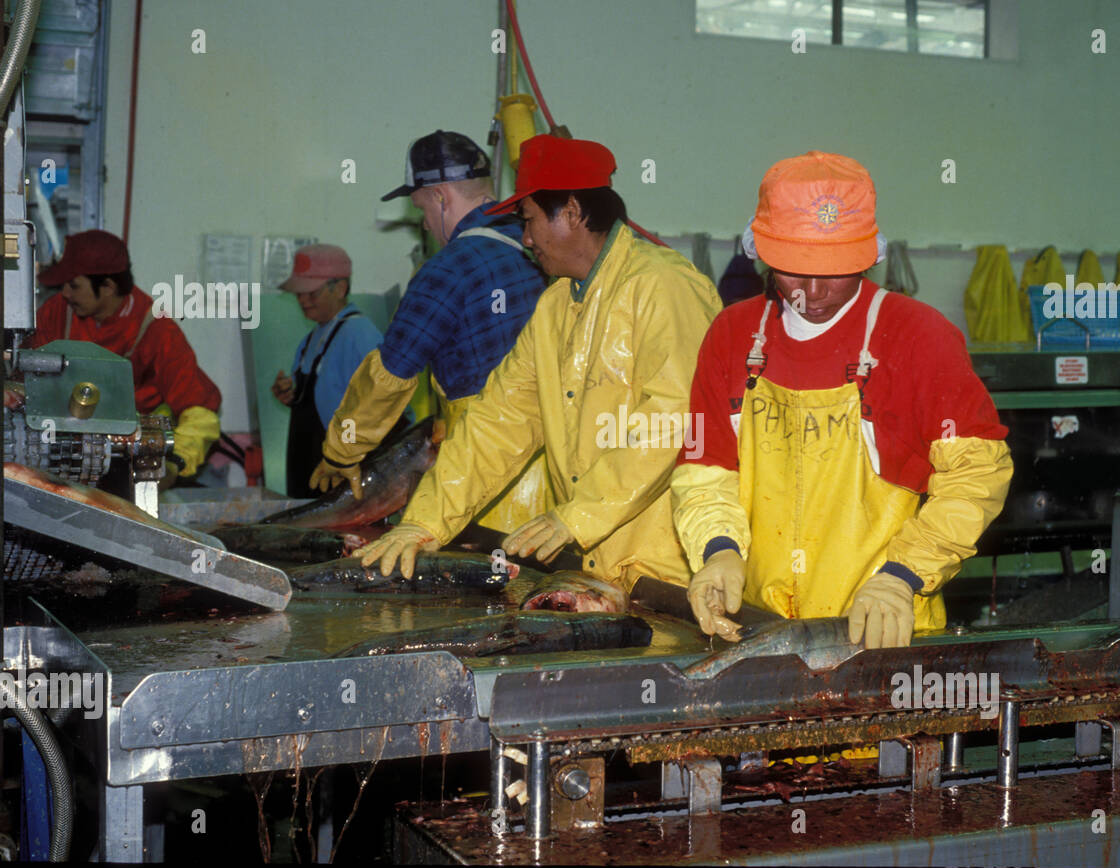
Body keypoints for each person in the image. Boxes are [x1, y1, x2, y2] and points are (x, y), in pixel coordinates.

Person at [671, 152, 1013, 648]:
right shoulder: (732, 335)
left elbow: (977, 475)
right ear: (761, 253)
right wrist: (719, 550)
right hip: (758, 629)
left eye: (833, 271)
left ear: (869, 253)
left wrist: (903, 574)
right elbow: (704, 471)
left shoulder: (919, 337)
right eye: (792, 270)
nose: (812, 291)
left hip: (881, 631)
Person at [354, 134, 722, 587]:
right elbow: (499, 419)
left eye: (528, 220)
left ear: (570, 211)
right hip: (597, 566)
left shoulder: (663, 287)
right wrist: (426, 521)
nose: (525, 239)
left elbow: (675, 418)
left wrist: (578, 516)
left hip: (668, 571)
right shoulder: (555, 307)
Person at [307, 130, 549, 532]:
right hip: (555, 474)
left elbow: (390, 375)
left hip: (484, 481)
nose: (425, 224)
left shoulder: (447, 269)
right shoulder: (538, 246)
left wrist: (341, 451)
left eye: (421, 209)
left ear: (440, 197)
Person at [27, 229, 221, 478]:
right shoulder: (56, 313)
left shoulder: (156, 329)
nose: (65, 293)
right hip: (61, 456)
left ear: (108, 286)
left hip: (131, 462)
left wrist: (174, 465)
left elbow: (200, 411)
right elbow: (25, 383)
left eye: (74, 285)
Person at [270, 244, 391, 498]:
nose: (303, 300)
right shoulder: (311, 338)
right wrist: (290, 392)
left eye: (311, 293)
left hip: (343, 468)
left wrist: (347, 453)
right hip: (309, 464)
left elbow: (380, 404)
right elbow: (320, 394)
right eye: (299, 294)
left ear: (340, 288)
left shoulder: (360, 334)